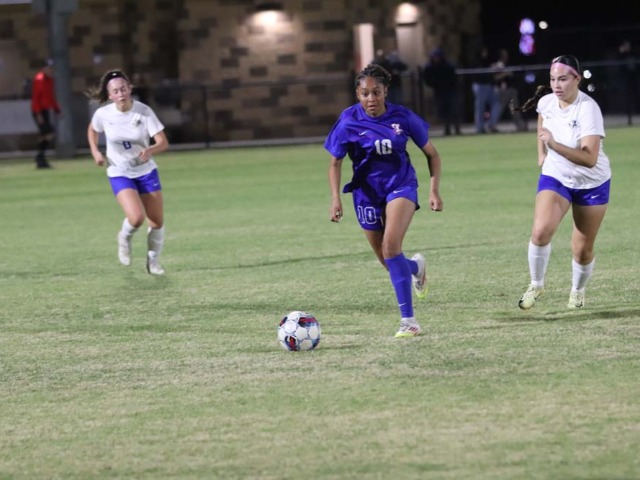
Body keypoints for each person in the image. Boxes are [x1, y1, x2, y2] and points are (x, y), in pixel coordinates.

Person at [324, 63, 443, 337]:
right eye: (365, 93)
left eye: (376, 92)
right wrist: (335, 199)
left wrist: (434, 190)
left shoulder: (403, 117)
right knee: (388, 260)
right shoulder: (348, 121)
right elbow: (335, 163)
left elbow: (432, 154)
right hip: (366, 193)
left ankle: (409, 321)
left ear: (385, 91)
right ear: (357, 94)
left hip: (401, 185)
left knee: (391, 247)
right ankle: (415, 267)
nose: (371, 99)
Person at [511, 55, 611, 310]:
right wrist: (541, 153)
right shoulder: (546, 102)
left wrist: (553, 145)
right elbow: (542, 121)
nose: (557, 85)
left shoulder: (588, 109)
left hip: (591, 183)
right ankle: (536, 285)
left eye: (563, 79)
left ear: (577, 79)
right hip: (556, 176)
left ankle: (577, 291)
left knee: (582, 250)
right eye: (553, 79)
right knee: (540, 231)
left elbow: (589, 159)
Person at [86, 69, 170, 275]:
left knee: (156, 221)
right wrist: (95, 151)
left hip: (146, 171)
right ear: (110, 95)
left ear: (130, 89)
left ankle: (153, 262)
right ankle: (124, 238)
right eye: (116, 91)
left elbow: (163, 142)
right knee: (136, 218)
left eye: (123, 89)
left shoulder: (144, 111)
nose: (121, 94)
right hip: (119, 171)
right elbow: (93, 130)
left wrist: (150, 150)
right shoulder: (103, 114)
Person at [422, 47, 461, 136]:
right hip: (439, 92)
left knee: (454, 110)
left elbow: (454, 78)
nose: (436, 59)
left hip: (450, 90)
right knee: (444, 111)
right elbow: (427, 79)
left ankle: (457, 129)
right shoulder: (430, 67)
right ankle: (447, 129)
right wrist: (434, 84)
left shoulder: (448, 66)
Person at [30, 60, 61, 169]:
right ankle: (40, 156)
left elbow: (51, 96)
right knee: (49, 133)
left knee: (44, 134)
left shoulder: (50, 80)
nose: (51, 70)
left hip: (45, 110)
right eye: (49, 68)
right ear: (43, 69)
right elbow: (36, 98)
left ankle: (40, 158)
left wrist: (57, 109)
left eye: (51, 68)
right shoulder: (39, 79)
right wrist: (38, 114)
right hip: (39, 110)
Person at [492, 48, 527, 132]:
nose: (506, 56)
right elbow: (495, 78)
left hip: (510, 90)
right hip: (501, 91)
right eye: (504, 55)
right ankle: (491, 125)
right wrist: (506, 73)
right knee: (499, 109)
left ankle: (520, 126)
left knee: (514, 108)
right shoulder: (497, 65)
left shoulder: (506, 65)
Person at [471, 46, 501, 134]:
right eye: (484, 51)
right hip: (480, 85)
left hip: (488, 85)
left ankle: (491, 125)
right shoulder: (476, 61)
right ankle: (480, 128)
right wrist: (491, 68)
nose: (485, 53)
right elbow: (480, 73)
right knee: (480, 107)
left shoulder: (486, 61)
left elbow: (490, 73)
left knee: (496, 103)